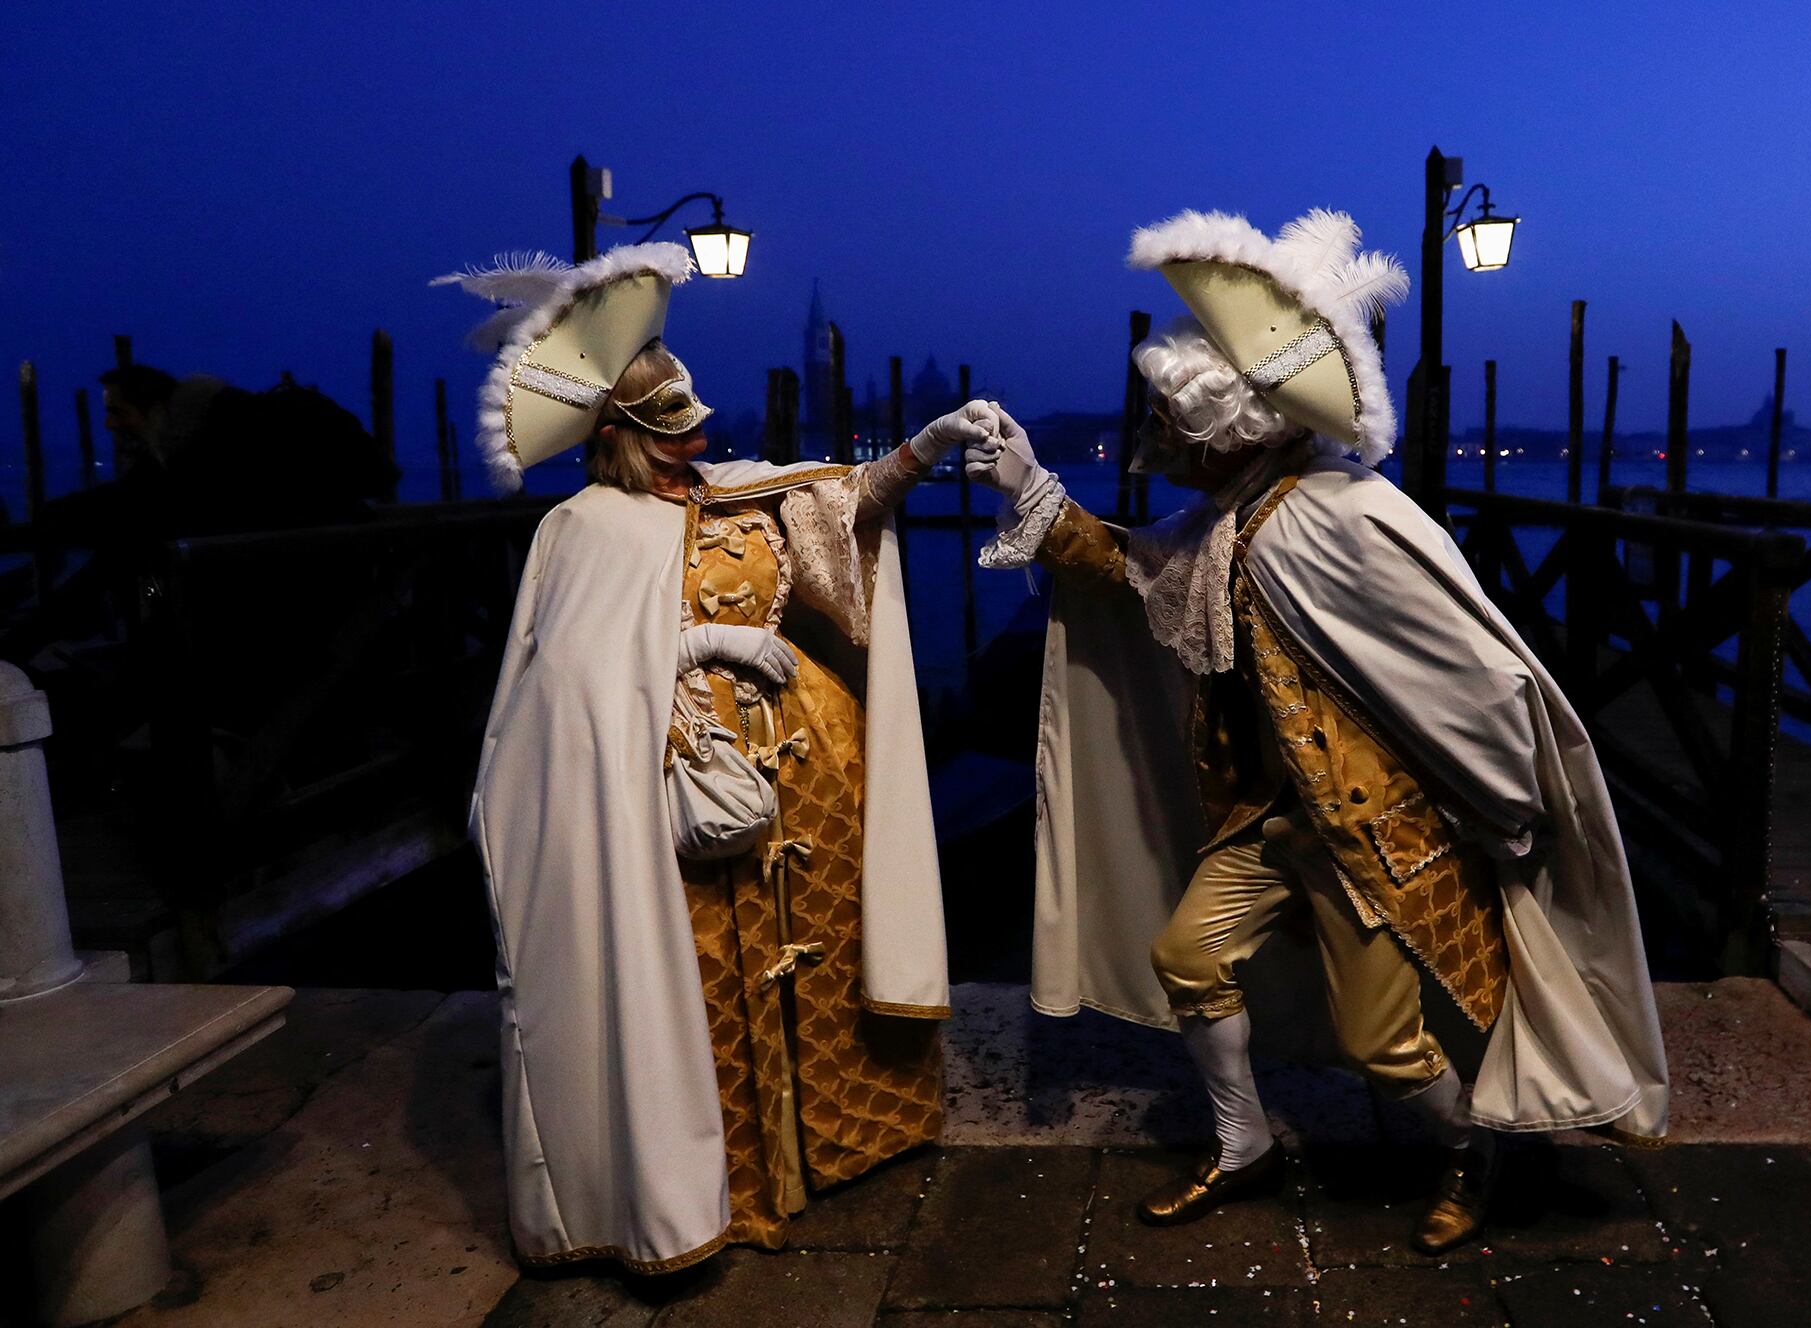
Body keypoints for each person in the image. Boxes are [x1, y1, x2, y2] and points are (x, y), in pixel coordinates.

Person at [965, 209, 1668, 1254]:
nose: (1163, 448)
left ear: (1230, 433)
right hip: (1264, 818)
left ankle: (1476, 1151)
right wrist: (1031, 488)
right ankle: (1243, 1142)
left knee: (1384, 1045)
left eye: (1176, 433)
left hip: (1367, 833)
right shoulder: (1230, 519)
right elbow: (1133, 567)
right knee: (1186, 953)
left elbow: (1474, 669)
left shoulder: (1345, 515)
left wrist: (1507, 795)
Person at [446, 244, 987, 1271]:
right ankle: (725, 1182)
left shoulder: (741, 489)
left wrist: (922, 448)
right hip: (677, 789)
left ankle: (831, 1146)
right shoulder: (580, 531)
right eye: (673, 437)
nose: (696, 446)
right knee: (699, 983)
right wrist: (697, 645)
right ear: (621, 440)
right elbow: (573, 680)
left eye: (696, 429)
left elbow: (845, 508)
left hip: (808, 783)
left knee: (822, 970)